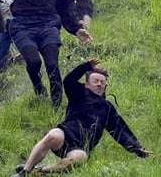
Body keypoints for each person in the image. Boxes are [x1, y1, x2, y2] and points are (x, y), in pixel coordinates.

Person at [11, 59, 153, 176]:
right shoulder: (78, 92)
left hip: (81, 146)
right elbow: (68, 81)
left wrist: (137, 149)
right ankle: (25, 171)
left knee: (80, 158)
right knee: (52, 135)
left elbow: (121, 130)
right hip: (65, 134)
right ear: (86, 84)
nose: (99, 84)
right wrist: (85, 67)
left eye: (102, 83)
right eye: (96, 81)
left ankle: (39, 171)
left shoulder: (108, 108)